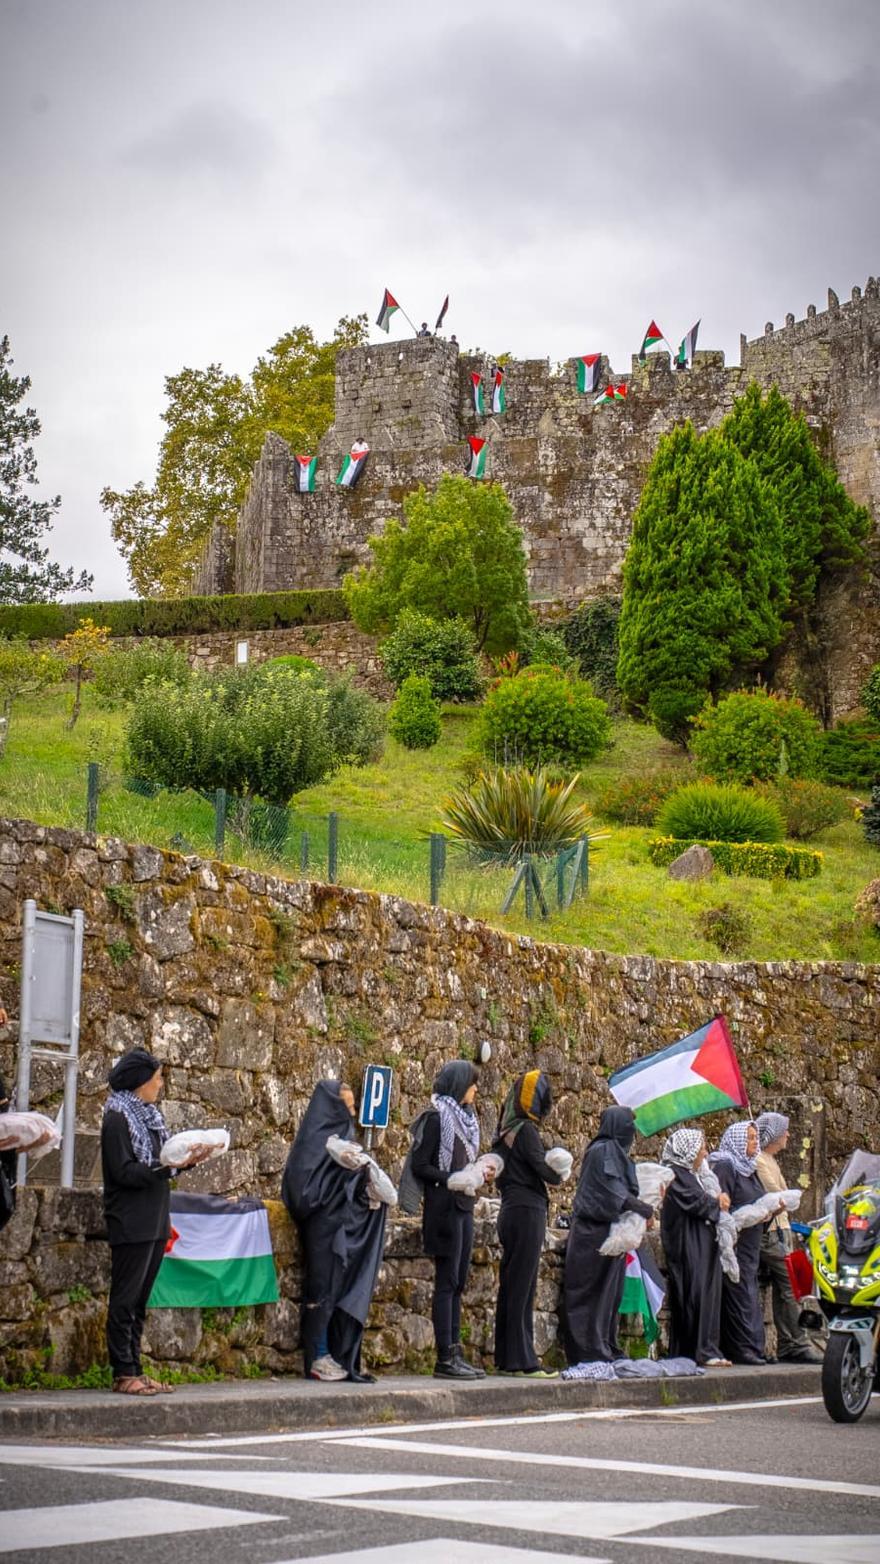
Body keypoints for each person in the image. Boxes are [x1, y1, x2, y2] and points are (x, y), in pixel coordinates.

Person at [101, 1048, 211, 1396]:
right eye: (157, 1078)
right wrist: (164, 1168)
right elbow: (123, 1171)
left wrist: (184, 1162)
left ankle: (135, 1368)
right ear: (140, 1081)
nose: (160, 1084)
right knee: (125, 1299)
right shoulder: (117, 1118)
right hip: (130, 1219)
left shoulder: (148, 1117)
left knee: (139, 1302)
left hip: (154, 1217)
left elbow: (160, 1164)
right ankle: (123, 1372)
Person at [282, 1079, 389, 1384]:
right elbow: (303, 1190)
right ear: (332, 1107)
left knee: (340, 1288)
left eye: (354, 1106)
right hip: (323, 1229)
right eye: (347, 1106)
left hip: (342, 1227)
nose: (352, 1113)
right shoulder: (315, 1141)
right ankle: (319, 1355)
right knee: (323, 1289)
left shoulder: (344, 1137)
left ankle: (338, 1354)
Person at [411, 1059, 493, 1379]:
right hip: (443, 1207)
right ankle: (444, 1357)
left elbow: (464, 1162)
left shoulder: (468, 1121)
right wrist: (451, 1179)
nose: (475, 1090)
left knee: (458, 1281)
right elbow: (420, 1166)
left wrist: (478, 1172)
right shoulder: (436, 1119)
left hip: (464, 1206)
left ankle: (456, 1352)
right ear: (459, 1085)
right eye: (472, 1084)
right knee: (446, 1282)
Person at [562, 1105, 653, 1365]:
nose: (632, 1134)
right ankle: (590, 1350)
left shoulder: (614, 1153)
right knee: (590, 1295)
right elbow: (613, 1192)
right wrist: (644, 1208)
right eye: (629, 1127)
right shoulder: (602, 1151)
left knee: (609, 1295)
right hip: (592, 1236)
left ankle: (605, 1344)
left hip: (608, 1233)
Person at [492, 1069, 563, 1377]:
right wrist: (560, 1172)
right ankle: (523, 1360)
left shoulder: (504, 1129)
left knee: (511, 1285)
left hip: (509, 1208)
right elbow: (543, 1169)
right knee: (524, 1286)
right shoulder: (527, 1131)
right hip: (527, 1211)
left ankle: (506, 1358)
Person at [710, 1120, 783, 1365]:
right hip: (735, 1243)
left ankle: (755, 1347)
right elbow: (722, 1206)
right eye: (750, 1138)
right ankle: (742, 1349)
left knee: (749, 1295)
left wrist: (770, 1211)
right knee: (739, 1295)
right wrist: (747, 1216)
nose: (755, 1142)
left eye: (755, 1137)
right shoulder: (726, 1166)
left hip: (750, 1244)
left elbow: (756, 1201)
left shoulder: (749, 1169)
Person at [660, 1127, 731, 1367]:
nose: (705, 1153)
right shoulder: (676, 1174)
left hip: (699, 1243)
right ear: (688, 1151)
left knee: (705, 1294)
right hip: (688, 1244)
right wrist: (717, 1202)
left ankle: (704, 1348)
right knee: (696, 1294)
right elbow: (695, 1202)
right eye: (701, 1148)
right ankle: (700, 1350)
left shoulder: (688, 1174)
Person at [756, 1112, 823, 1364]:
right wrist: (787, 1198)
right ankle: (796, 1343)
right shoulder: (760, 1161)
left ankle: (790, 1341)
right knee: (790, 1282)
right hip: (771, 1232)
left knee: (789, 1285)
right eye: (784, 1130)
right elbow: (777, 1194)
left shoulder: (769, 1160)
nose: (788, 1134)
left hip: (781, 1229)